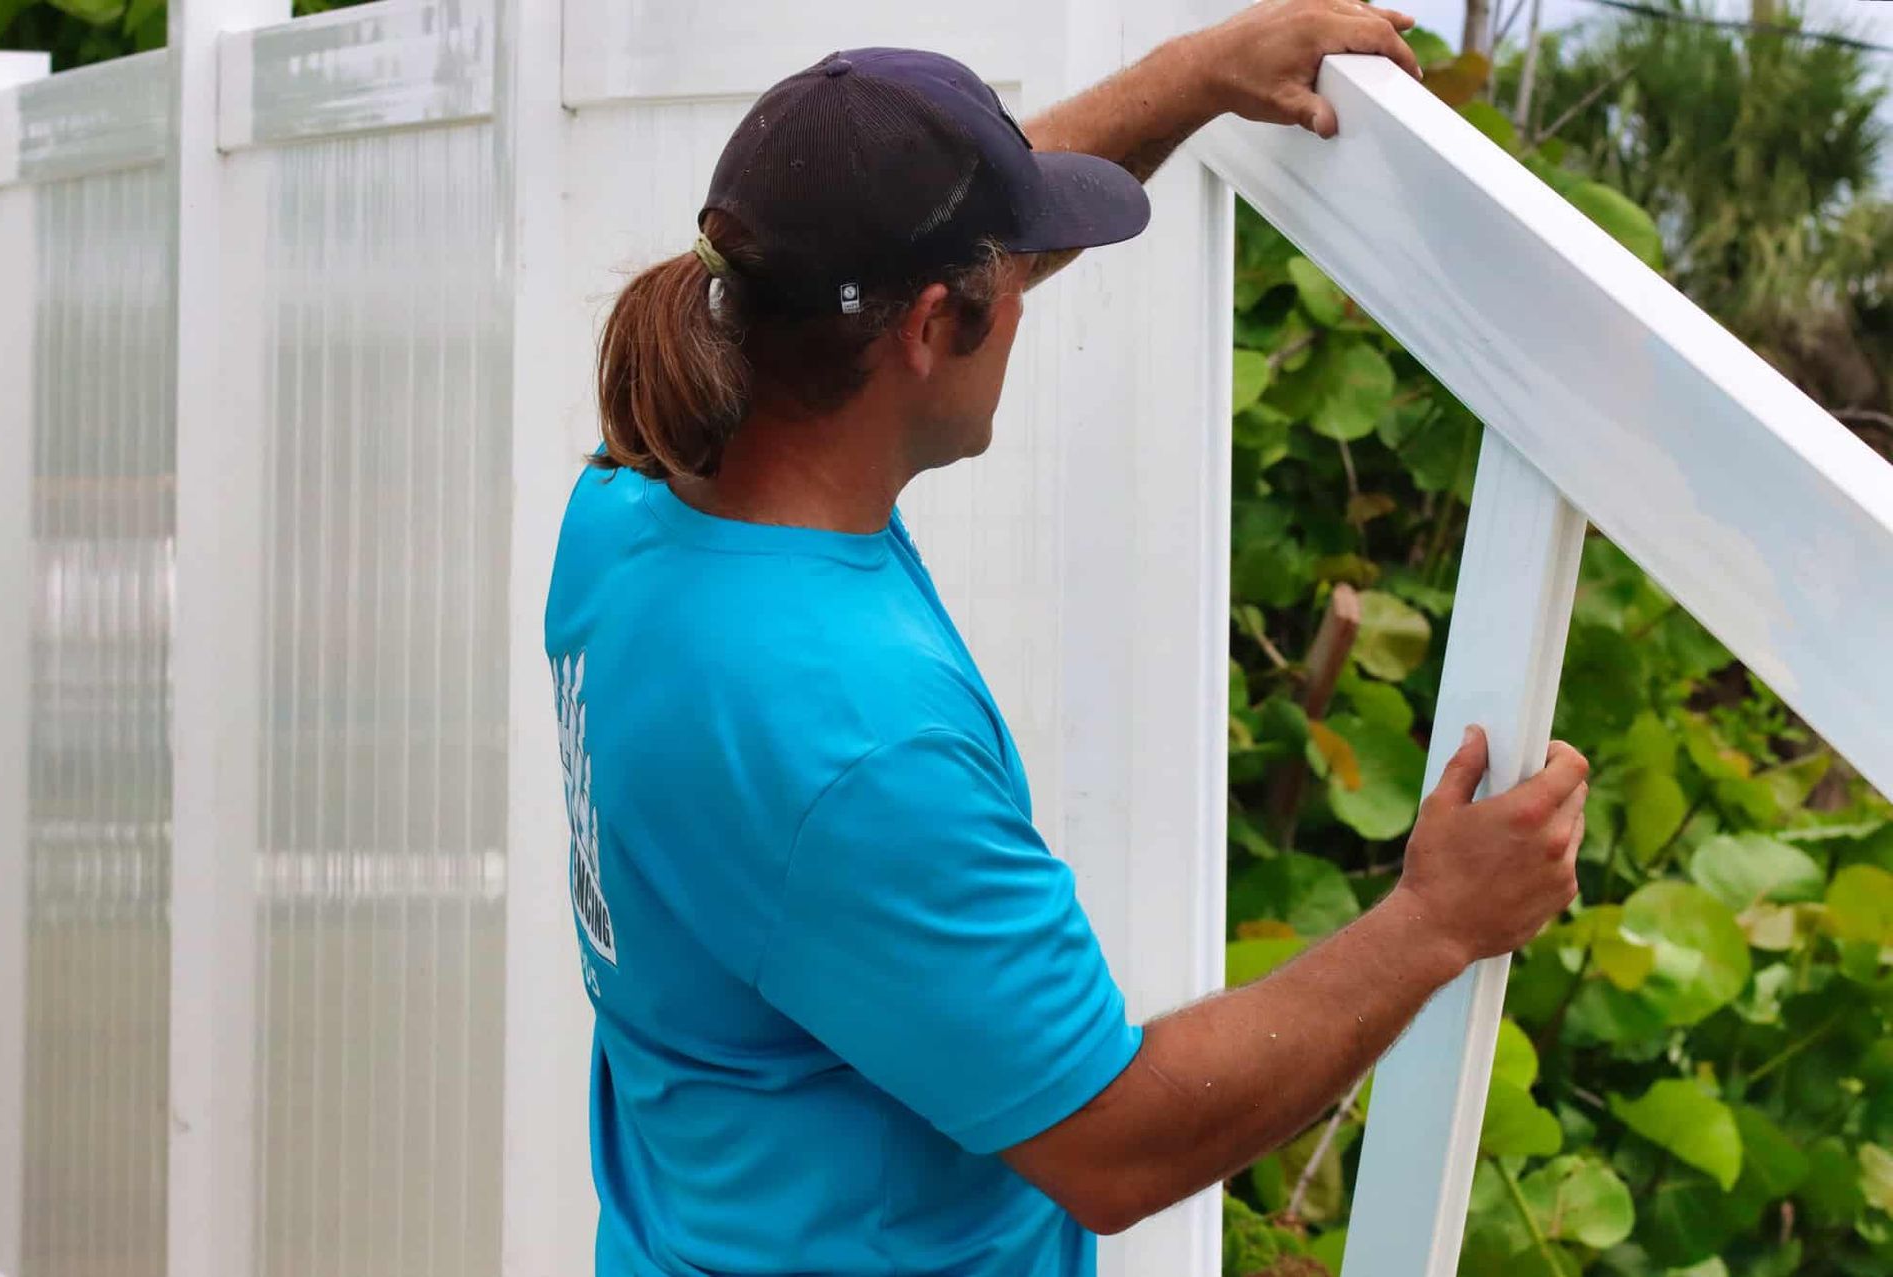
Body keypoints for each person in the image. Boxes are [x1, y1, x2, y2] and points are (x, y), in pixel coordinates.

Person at [543, 3, 1590, 1273]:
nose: (1027, 299)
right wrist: (1436, 917)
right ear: (928, 329)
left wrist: (1194, 78)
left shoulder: (631, 499)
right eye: (1008, 280)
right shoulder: (856, 738)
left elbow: (946, 262)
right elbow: (1113, 1141)